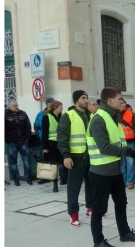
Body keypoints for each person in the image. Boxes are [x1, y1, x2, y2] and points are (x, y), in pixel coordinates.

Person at [87, 87, 135, 247]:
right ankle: (98, 241)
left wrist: (128, 150)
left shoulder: (112, 117)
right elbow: (104, 147)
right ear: (110, 101)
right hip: (101, 172)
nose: (122, 101)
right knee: (99, 208)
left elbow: (117, 140)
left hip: (114, 170)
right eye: (119, 99)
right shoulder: (99, 119)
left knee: (121, 202)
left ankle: (124, 233)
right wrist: (126, 152)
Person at [57, 90, 93, 227]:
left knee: (91, 185)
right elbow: (62, 137)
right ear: (76, 100)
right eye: (83, 98)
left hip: (89, 157)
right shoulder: (68, 116)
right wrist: (66, 156)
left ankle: (91, 208)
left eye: (87, 98)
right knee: (74, 188)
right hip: (75, 158)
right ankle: (73, 214)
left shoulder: (89, 115)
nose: (86, 100)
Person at [5, 101, 33, 186]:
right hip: (12, 142)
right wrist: (8, 140)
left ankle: (28, 179)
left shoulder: (23, 113)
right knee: (13, 162)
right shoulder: (5, 115)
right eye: (15, 105)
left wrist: (27, 138)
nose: (17, 107)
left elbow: (28, 126)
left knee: (26, 161)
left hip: (23, 141)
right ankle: (16, 180)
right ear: (9, 107)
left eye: (17, 105)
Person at [41, 101, 67, 192]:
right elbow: (44, 133)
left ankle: (65, 180)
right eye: (61, 107)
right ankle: (55, 184)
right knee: (54, 165)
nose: (62, 108)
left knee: (64, 162)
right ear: (55, 107)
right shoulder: (46, 118)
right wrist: (45, 148)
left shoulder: (62, 117)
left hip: (61, 143)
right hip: (52, 144)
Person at [119, 98, 135, 189]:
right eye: (121, 103)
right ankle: (123, 181)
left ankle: (130, 181)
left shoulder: (130, 114)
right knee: (122, 163)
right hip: (120, 143)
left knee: (130, 162)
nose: (123, 104)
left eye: (124, 103)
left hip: (130, 142)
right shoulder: (114, 115)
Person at [34, 97, 55, 185]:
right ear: (47, 104)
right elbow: (36, 126)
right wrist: (40, 134)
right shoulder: (40, 114)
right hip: (44, 140)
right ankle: (46, 177)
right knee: (45, 159)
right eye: (51, 103)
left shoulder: (56, 113)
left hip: (53, 140)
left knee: (54, 160)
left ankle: (55, 176)